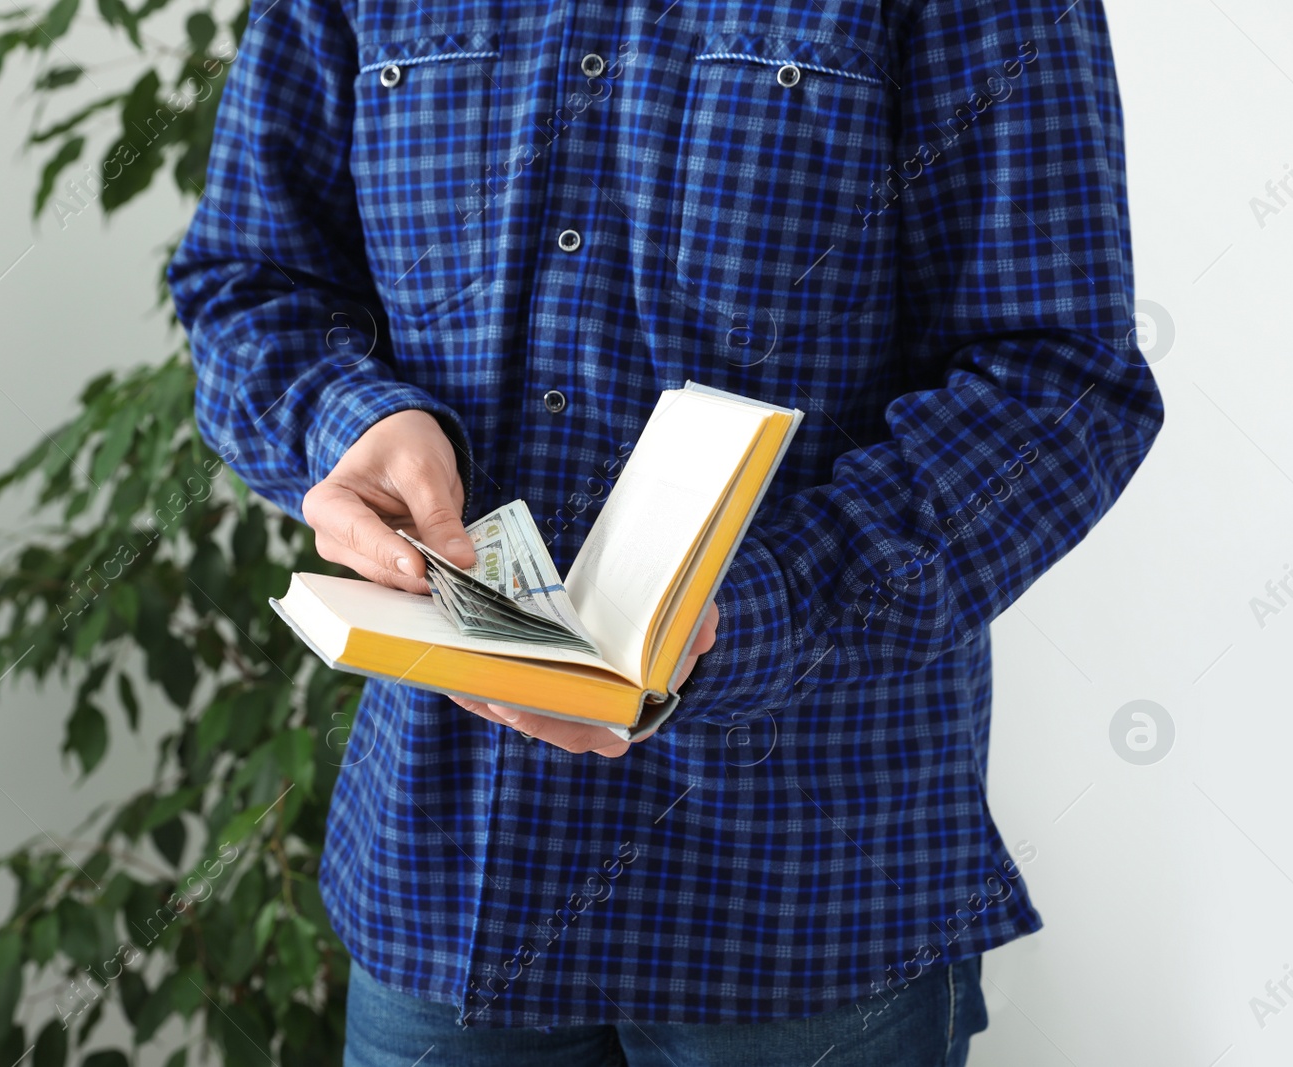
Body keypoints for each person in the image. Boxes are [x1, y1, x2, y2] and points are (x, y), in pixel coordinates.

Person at [167, 0, 1163, 1061]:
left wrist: (758, 609)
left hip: (811, 904)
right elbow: (248, 282)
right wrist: (351, 417)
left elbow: (1057, 380)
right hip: (444, 877)